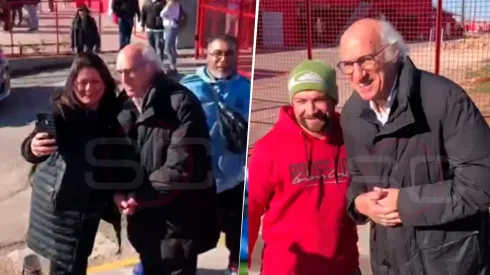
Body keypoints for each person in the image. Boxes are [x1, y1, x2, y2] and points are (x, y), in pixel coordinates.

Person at [339, 18, 490, 275]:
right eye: (348, 65)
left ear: (393, 53)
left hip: (451, 263)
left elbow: (481, 182)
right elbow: (357, 175)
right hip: (389, 261)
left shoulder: (445, 100)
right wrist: (358, 203)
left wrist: (406, 203)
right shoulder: (352, 114)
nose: (358, 74)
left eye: (366, 59)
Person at [114, 43, 220, 275]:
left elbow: (180, 166)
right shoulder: (124, 104)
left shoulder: (180, 103)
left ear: (152, 68)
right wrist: (117, 190)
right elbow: (115, 154)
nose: (124, 79)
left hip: (178, 226)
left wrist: (137, 197)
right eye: (120, 72)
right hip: (144, 221)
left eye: (130, 71)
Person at [248, 60, 361, 275]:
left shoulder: (353, 139)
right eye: (301, 101)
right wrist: (242, 267)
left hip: (344, 268)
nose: (310, 110)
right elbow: (249, 214)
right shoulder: (268, 150)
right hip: (287, 270)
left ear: (333, 99)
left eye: (319, 100)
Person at [21, 52, 125, 275]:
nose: (89, 89)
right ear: (73, 84)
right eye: (83, 82)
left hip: (94, 203)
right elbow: (31, 146)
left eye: (95, 81)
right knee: (67, 263)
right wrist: (33, 147)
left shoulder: (111, 111)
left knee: (79, 256)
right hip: (64, 206)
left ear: (106, 83)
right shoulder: (61, 111)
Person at [181, 34, 250, 275]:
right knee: (189, 233)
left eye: (228, 53)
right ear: (206, 55)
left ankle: (237, 269)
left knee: (239, 232)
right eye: (216, 53)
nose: (222, 59)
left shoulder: (246, 88)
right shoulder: (188, 87)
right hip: (198, 179)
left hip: (235, 177)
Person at [160, 0, 187, 75]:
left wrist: (168, 17)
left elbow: (162, 14)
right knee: (172, 47)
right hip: (173, 26)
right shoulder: (177, 4)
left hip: (170, 26)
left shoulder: (171, 3)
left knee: (168, 47)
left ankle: (173, 66)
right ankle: (173, 66)